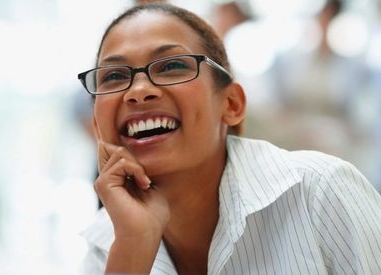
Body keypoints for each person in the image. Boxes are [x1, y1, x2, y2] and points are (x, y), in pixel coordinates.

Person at [77, 3, 381, 274]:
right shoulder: (107, 245)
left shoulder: (321, 194)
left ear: (232, 105)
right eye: (114, 76)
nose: (138, 90)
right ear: (97, 123)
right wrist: (133, 248)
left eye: (172, 66)